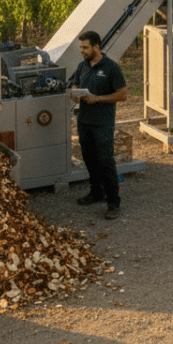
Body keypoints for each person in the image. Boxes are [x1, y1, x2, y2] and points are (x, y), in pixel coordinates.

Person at [70, 30, 128, 220]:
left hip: (102, 124)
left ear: (96, 46)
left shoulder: (111, 68)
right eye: (81, 47)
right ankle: (96, 193)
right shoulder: (82, 67)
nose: (82, 51)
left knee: (106, 161)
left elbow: (122, 94)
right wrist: (74, 92)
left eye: (85, 47)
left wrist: (98, 98)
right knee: (89, 159)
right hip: (84, 121)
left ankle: (113, 202)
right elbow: (75, 87)